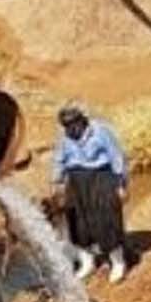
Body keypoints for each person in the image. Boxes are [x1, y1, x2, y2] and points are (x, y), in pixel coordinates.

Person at [49, 103, 130, 283]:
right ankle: (87, 261)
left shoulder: (101, 131)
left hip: (102, 176)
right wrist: (56, 181)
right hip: (76, 179)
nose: (70, 129)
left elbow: (117, 156)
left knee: (106, 218)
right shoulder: (64, 137)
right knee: (78, 222)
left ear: (82, 120)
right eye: (66, 126)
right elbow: (59, 159)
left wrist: (121, 184)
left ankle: (117, 262)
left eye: (73, 124)